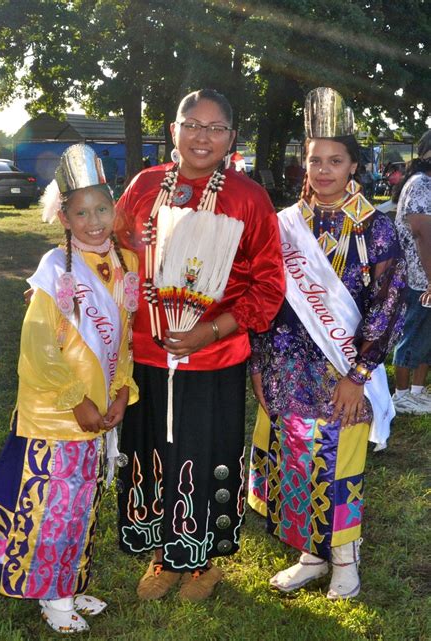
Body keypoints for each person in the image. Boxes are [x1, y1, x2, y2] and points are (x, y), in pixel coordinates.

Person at [115, 88, 285, 602]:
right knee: (152, 452)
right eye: (193, 124)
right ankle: (163, 556)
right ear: (174, 131)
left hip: (214, 356)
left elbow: (269, 286)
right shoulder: (144, 187)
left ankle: (201, 561)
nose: (202, 136)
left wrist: (209, 331)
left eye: (215, 128)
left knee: (202, 452)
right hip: (147, 353)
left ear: (232, 138)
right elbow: (117, 250)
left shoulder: (248, 198)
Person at [0, 144, 139, 634]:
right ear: (64, 217)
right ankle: (52, 596)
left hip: (99, 413)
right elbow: (39, 351)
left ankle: (69, 581)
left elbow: (122, 341)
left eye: (102, 208)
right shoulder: (55, 273)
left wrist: (122, 391)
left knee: (82, 506)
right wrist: (76, 401)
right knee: (54, 511)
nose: (94, 221)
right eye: (81, 212)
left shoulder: (122, 266)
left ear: (114, 209)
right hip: (60, 418)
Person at [248, 87, 407, 600]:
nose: (322, 170)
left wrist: (358, 375)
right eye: (314, 160)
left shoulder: (377, 230)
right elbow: (266, 297)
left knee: (341, 463)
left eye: (335, 160)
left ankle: (345, 559)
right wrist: (257, 362)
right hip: (287, 366)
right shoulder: (283, 226)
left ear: (354, 165)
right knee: (295, 456)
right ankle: (311, 555)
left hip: (345, 370)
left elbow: (388, 304)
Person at [392, 130, 431, 414]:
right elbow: (422, 235)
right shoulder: (420, 185)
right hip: (420, 276)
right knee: (411, 333)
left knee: (426, 335)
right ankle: (402, 395)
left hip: (426, 276)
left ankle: (417, 392)